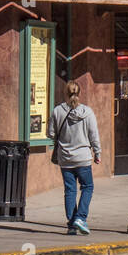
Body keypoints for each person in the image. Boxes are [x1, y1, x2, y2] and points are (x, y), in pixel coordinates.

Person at [48, 81, 101, 235]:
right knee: (87, 187)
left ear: (66, 93)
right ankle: (80, 217)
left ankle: (72, 225)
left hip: (65, 158)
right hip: (83, 158)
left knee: (70, 190)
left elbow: (51, 134)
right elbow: (94, 135)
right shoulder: (88, 112)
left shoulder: (58, 111)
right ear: (79, 93)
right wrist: (97, 152)